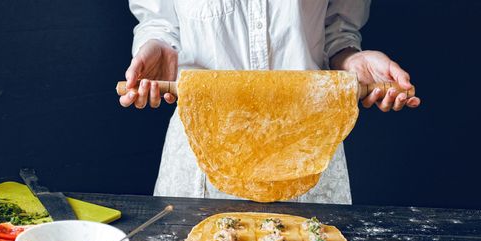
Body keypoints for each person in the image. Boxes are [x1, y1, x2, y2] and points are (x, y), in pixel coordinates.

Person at [119, 0, 421, 204]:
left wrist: (352, 59)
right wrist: (158, 44)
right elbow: (160, 20)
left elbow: (337, 31)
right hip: (203, 152)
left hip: (308, 149)